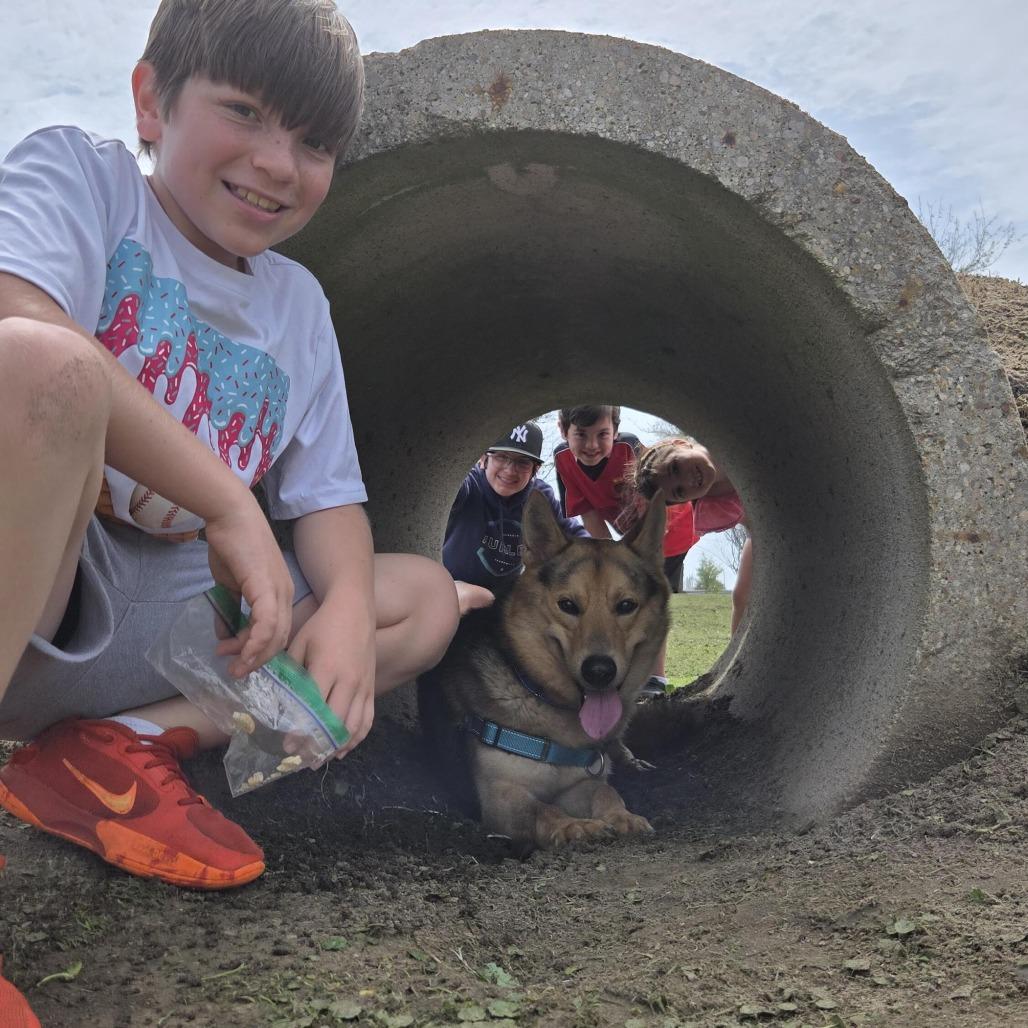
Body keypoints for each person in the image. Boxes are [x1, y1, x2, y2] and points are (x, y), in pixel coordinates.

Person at [0, 0, 459, 893]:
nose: (278, 163)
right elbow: (21, 317)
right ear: (151, 101)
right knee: (43, 363)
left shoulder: (299, 307)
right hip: (42, 593)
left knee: (422, 600)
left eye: (314, 143)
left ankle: (117, 746)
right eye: (244, 111)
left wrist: (346, 610)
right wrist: (225, 500)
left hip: (173, 632)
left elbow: (330, 500)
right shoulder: (84, 179)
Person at [553, 406, 700, 694]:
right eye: (581, 435)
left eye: (602, 435)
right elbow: (588, 512)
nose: (592, 445)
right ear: (563, 431)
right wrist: (608, 561)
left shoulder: (629, 448)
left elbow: (652, 510)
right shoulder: (562, 460)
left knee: (648, 598)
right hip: (629, 541)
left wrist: (626, 558)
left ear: (616, 432)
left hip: (669, 530)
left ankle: (654, 678)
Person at [444, 422, 589, 612]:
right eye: (502, 457)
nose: (510, 470)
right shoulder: (471, 485)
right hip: (450, 587)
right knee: (478, 598)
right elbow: (444, 490)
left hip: (503, 599)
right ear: (484, 458)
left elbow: (576, 535)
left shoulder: (539, 497)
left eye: (523, 462)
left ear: (535, 469)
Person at [630, 437, 751, 634]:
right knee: (741, 596)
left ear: (680, 444)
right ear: (685, 500)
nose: (687, 481)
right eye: (680, 491)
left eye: (675, 467)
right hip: (763, 534)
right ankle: (740, 653)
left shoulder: (721, 437)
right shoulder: (712, 502)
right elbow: (754, 524)